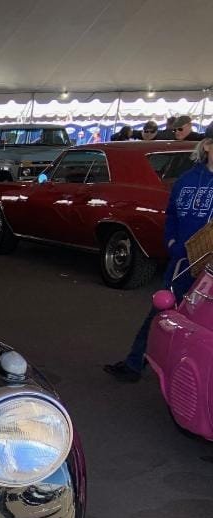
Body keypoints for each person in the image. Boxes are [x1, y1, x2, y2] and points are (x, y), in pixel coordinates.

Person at [104, 137, 213, 382]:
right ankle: (135, 363)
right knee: (161, 313)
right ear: (207, 145)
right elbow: (172, 215)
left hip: (211, 272)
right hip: (182, 264)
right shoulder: (186, 181)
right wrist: (172, 243)